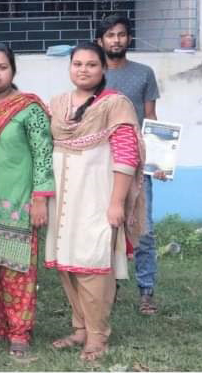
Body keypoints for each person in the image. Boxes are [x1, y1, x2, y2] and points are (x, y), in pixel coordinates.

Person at [46, 42, 146, 362]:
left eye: (91, 64)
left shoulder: (115, 104)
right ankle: (80, 328)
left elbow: (127, 157)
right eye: (77, 64)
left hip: (96, 196)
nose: (83, 70)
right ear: (70, 67)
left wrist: (117, 203)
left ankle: (97, 336)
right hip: (62, 198)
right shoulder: (58, 103)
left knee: (93, 264)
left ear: (103, 69)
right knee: (66, 263)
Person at [0, 45, 54, 359]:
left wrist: (40, 199)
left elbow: (43, 157)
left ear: (13, 71)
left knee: (17, 272)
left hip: (18, 204)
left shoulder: (28, 108)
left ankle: (20, 332)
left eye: (2, 67)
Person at [96, 14, 162, 316]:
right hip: (101, 163)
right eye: (110, 35)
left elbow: (151, 119)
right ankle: (109, 288)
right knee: (105, 228)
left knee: (143, 230)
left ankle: (146, 292)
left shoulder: (144, 73)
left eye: (121, 34)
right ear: (100, 41)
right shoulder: (94, 73)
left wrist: (159, 160)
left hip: (137, 164)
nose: (116, 40)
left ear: (129, 39)